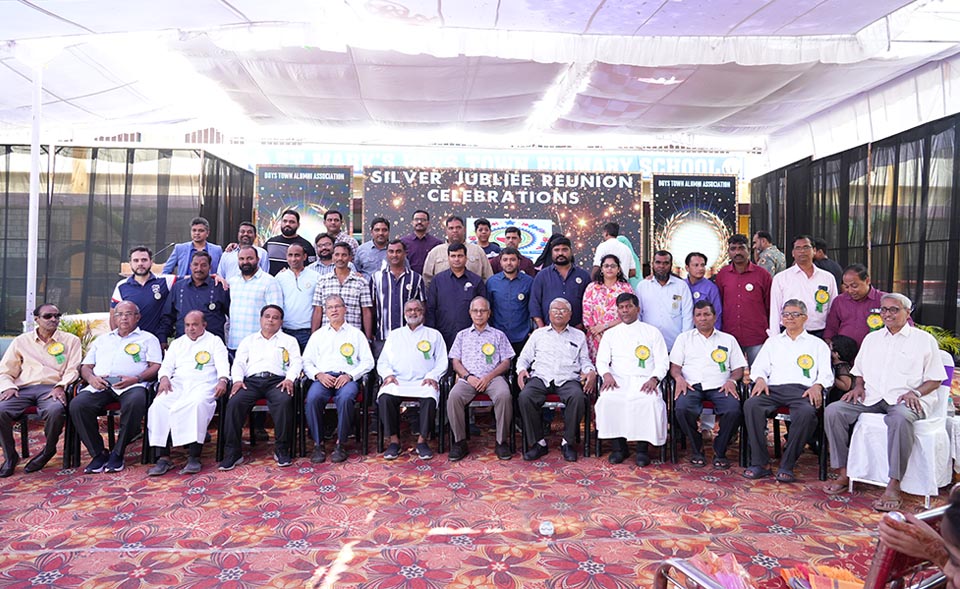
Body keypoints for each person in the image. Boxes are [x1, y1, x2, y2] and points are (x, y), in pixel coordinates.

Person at [823, 292, 947, 512]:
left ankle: (894, 484)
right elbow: (859, 371)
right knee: (834, 411)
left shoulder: (923, 340)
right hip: (872, 397)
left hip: (905, 400)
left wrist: (916, 393)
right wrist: (858, 387)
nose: (887, 314)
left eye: (894, 309)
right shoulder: (872, 339)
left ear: (907, 312)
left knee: (900, 418)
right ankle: (843, 472)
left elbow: (935, 379)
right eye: (884, 309)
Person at [743, 299, 832, 483]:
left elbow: (826, 374)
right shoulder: (772, 342)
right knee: (751, 405)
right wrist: (760, 379)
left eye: (795, 314)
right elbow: (759, 368)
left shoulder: (817, 344)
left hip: (802, 392)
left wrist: (818, 385)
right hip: (773, 390)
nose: (789, 318)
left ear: (805, 318)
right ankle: (761, 463)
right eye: (786, 314)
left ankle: (787, 464)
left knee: (806, 413)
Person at [71, 301, 162, 474]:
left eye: (128, 314)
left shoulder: (148, 339)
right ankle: (98, 453)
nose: (123, 318)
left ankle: (118, 452)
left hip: (132, 385)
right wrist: (91, 379)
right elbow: (86, 366)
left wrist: (136, 378)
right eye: (119, 314)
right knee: (78, 405)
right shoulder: (102, 340)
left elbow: (156, 366)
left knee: (136, 402)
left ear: (137, 317)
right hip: (101, 384)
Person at [0, 304, 81, 476]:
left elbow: (73, 369)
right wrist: (8, 387)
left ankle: (48, 450)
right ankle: (10, 456)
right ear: (36, 319)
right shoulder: (21, 341)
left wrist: (61, 386)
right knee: (0, 410)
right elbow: (5, 370)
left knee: (55, 411)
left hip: (52, 388)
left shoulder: (71, 340)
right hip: (23, 388)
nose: (53, 319)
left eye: (57, 316)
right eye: (48, 316)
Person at [147, 310, 230, 476]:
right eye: (187, 325)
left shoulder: (214, 341)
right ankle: (163, 457)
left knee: (196, 405)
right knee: (158, 405)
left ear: (204, 325)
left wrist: (223, 379)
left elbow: (223, 364)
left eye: (195, 325)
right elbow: (166, 366)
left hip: (204, 384)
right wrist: (164, 378)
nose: (191, 328)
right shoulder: (177, 343)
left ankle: (194, 457)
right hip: (178, 384)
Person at [219, 305, 302, 470]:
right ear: (260, 319)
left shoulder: (289, 341)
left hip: (277, 381)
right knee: (234, 402)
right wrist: (237, 381)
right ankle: (233, 452)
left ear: (281, 322)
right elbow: (239, 363)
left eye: (275, 317)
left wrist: (290, 379)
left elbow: (296, 362)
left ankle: (282, 449)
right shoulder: (248, 340)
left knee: (284, 401)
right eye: (267, 316)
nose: (270, 320)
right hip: (251, 382)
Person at [517, 298, 597, 462]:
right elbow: (524, 358)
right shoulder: (538, 334)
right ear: (549, 313)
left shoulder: (578, 335)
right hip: (541, 376)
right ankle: (538, 443)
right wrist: (521, 370)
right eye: (555, 310)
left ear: (570, 315)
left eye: (563, 310)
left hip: (568, 378)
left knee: (578, 397)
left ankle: (568, 442)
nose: (559, 313)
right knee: (525, 397)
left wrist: (590, 371)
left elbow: (585, 360)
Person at [670, 300, 747, 469]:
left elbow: (738, 368)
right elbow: (675, 367)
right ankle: (696, 447)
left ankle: (720, 449)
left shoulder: (728, 339)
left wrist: (732, 381)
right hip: (691, 384)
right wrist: (679, 378)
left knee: (734, 410)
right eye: (698, 315)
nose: (702, 318)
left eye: (706, 314)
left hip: (720, 385)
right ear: (694, 318)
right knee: (681, 408)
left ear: (714, 317)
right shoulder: (684, 339)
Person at [595, 293, 668, 467]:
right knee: (608, 399)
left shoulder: (652, 332)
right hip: (617, 380)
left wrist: (654, 379)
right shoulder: (610, 334)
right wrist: (606, 375)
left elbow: (662, 361)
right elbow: (601, 360)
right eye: (621, 307)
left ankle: (642, 450)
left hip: (645, 380)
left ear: (638, 309)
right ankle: (619, 449)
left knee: (648, 401)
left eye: (628, 306)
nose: (625, 310)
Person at [302, 295, 374, 463]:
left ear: (345, 309)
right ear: (325, 312)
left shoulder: (356, 334)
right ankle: (318, 444)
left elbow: (368, 361)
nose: (334, 310)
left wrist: (350, 375)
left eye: (337, 306)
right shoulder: (318, 335)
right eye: (330, 307)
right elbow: (306, 361)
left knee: (346, 398)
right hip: (323, 378)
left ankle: (340, 444)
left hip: (347, 378)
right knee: (312, 399)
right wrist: (318, 375)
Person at [377, 300, 448, 460]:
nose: (413, 313)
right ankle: (394, 442)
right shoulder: (395, 335)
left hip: (424, 381)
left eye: (417, 309)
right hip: (398, 381)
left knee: (430, 397)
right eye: (409, 310)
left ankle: (422, 441)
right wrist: (388, 375)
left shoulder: (434, 335)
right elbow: (383, 361)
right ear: (404, 313)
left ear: (423, 312)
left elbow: (442, 361)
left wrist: (432, 376)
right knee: (385, 397)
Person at [447, 297, 515, 461]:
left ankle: (501, 442)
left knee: (504, 395)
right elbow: (455, 362)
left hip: (493, 377)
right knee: (454, 397)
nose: (479, 314)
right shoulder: (462, 335)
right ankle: (460, 442)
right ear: (470, 313)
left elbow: (506, 362)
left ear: (489, 313)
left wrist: (489, 376)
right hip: (468, 378)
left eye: (483, 311)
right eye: (475, 311)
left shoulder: (498, 335)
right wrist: (467, 376)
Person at [714, 234, 772, 365]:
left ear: (748, 250)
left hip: (757, 335)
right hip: (730, 335)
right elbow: (719, 305)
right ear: (728, 252)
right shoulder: (722, 275)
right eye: (733, 249)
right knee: (731, 374)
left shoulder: (762, 275)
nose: (737, 252)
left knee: (759, 373)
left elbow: (770, 305)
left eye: (741, 248)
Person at [769, 235, 838, 339]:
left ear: (814, 251)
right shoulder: (781, 278)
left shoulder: (827, 278)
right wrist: (775, 338)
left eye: (806, 247)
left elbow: (833, 310)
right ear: (793, 253)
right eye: (798, 248)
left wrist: (830, 336)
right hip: (790, 333)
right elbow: (775, 311)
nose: (802, 251)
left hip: (819, 333)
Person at [824, 263, 903, 346]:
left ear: (867, 281)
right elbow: (831, 328)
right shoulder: (839, 301)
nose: (850, 291)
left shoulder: (885, 300)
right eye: (846, 287)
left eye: (854, 286)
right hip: (844, 351)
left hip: (877, 349)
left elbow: (903, 324)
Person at [370, 239, 425, 358]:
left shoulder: (416, 278)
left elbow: (422, 307)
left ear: (405, 253)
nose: (394, 255)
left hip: (410, 336)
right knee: (383, 368)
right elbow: (372, 307)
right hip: (383, 336)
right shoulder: (376, 278)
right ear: (386, 253)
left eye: (398, 251)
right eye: (391, 251)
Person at [426, 243, 487, 349]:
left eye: (460, 256)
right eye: (453, 256)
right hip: (443, 334)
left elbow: (484, 309)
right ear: (448, 258)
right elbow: (431, 308)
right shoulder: (438, 280)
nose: (456, 259)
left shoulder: (476, 281)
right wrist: (431, 333)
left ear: (466, 258)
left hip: (470, 335)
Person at [111, 246, 176, 344]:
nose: (140, 263)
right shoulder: (121, 286)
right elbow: (113, 316)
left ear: (151, 262)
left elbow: (191, 279)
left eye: (144, 260)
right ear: (130, 263)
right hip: (130, 343)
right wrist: (117, 341)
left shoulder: (166, 281)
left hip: (156, 342)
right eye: (136, 260)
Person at [225, 246, 283, 353]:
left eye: (250, 258)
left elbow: (276, 315)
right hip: (235, 343)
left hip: (260, 345)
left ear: (258, 259)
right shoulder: (232, 282)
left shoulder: (269, 282)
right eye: (241, 259)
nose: (245, 262)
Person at [163, 250, 230, 342]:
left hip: (212, 344)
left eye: (203, 265)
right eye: (195, 264)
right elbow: (167, 316)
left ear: (210, 267)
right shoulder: (178, 287)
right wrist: (163, 338)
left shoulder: (220, 288)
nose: (199, 269)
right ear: (190, 266)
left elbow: (231, 314)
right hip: (184, 343)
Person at [311, 242, 374, 338]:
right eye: (337, 255)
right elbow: (318, 311)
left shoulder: (361, 282)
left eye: (344, 255)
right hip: (327, 335)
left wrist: (368, 338)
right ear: (332, 257)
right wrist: (313, 337)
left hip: (352, 335)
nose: (340, 258)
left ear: (350, 258)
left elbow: (366, 312)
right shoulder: (322, 281)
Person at [529, 237, 591, 330]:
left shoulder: (583, 275)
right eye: (556, 250)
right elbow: (534, 303)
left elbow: (589, 304)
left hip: (577, 330)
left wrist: (582, 325)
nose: (560, 253)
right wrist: (542, 328)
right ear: (551, 252)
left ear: (571, 251)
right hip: (548, 330)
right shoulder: (542, 276)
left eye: (564, 250)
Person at [636, 250, 693, 351]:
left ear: (671, 265)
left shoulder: (681, 286)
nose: (661, 266)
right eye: (658, 262)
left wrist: (684, 343)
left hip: (675, 345)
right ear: (652, 264)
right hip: (648, 345)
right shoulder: (642, 286)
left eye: (665, 263)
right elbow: (638, 315)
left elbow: (687, 316)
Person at [582, 254, 634, 361]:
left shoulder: (625, 288)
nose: (609, 268)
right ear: (601, 269)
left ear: (618, 269)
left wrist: (605, 326)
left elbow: (630, 313)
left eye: (613, 266)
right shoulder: (592, 288)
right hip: (595, 337)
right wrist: (598, 336)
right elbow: (587, 315)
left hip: (619, 337)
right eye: (606, 266)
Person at [486, 246, 534, 355]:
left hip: (522, 336)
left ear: (519, 262)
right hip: (498, 335)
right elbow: (488, 308)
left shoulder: (529, 282)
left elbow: (533, 308)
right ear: (500, 262)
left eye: (512, 259)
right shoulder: (492, 282)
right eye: (505, 260)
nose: (509, 263)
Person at [421, 215, 493, 287]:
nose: (455, 231)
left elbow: (488, 278)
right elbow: (427, 280)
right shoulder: (435, 252)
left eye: (458, 227)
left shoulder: (478, 251)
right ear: (446, 231)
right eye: (451, 228)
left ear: (464, 229)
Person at [275, 243, 320, 351]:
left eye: (297, 255)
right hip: (285, 332)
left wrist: (314, 333)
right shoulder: (279, 278)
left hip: (307, 332)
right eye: (290, 255)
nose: (293, 259)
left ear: (304, 257)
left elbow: (318, 307)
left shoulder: (316, 277)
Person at [264, 210, 317, 275]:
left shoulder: (306, 245)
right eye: (285, 221)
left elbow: (312, 268)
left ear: (298, 225)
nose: (287, 224)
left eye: (292, 222)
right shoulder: (270, 243)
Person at [685, 252, 722, 330]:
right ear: (687, 268)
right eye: (696, 265)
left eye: (703, 265)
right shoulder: (681, 285)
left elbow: (717, 314)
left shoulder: (711, 288)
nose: (700, 268)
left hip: (704, 332)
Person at [400, 209, 443, 276]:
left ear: (428, 223)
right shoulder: (403, 242)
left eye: (423, 220)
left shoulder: (437, 243)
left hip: (430, 280)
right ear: (412, 222)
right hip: (408, 279)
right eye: (416, 219)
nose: (419, 222)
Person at [829, 334, 858, 402]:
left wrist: (831, 377)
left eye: (830, 347)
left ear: (836, 354)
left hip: (840, 397)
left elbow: (846, 386)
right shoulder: (835, 364)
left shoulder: (842, 367)